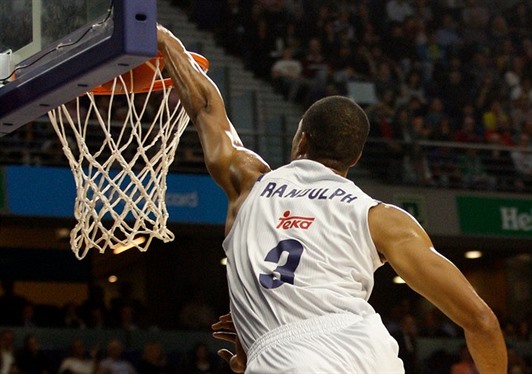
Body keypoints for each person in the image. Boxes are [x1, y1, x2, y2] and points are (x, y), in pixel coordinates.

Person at [157, 25, 507, 373]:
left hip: (288, 359)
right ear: (354, 159)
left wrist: (163, 39)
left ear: (302, 141)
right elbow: (482, 322)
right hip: (370, 352)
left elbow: (205, 107)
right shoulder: (383, 219)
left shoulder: (250, 183)